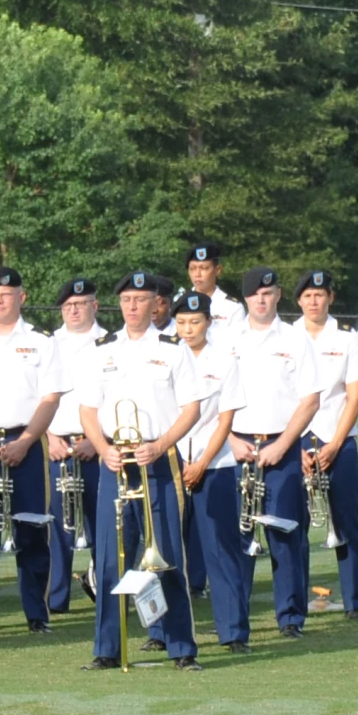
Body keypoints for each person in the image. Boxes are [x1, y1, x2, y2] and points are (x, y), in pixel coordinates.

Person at [76, 271, 208, 671]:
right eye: (127, 300)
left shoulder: (173, 348)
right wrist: (102, 449)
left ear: (156, 304)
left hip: (158, 460)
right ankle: (107, 650)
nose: (133, 307)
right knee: (111, 560)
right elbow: (87, 410)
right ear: (119, 304)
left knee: (166, 556)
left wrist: (161, 445)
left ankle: (181, 649)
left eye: (141, 299)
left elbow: (191, 409)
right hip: (115, 460)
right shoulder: (101, 350)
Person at [0, 266, 64, 633]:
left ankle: (36, 611)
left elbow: (50, 399)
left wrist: (25, 441)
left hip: (25, 443)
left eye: (7, 294)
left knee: (31, 528)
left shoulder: (42, 340)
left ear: (21, 297)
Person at [225, 268, 320, 639]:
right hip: (236, 447)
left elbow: (310, 400)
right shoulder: (227, 339)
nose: (261, 300)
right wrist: (229, 439)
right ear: (246, 298)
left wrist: (283, 445)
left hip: (283, 445)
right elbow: (212, 396)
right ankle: (236, 617)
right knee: (239, 534)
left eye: (267, 293)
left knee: (286, 535)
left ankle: (291, 617)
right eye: (254, 294)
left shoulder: (296, 339)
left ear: (278, 295)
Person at [172, 289, 249, 650]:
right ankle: (162, 632)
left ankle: (233, 631)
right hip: (170, 464)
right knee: (167, 551)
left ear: (209, 323)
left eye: (196, 322)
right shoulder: (163, 359)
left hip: (215, 464)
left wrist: (202, 462)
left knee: (220, 549)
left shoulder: (225, 361)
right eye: (182, 322)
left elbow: (225, 419)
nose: (188, 329)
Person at [293, 270, 358, 617]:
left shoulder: (348, 339)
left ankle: (356, 602)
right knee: (296, 524)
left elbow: (354, 397)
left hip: (338, 439)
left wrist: (335, 444)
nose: (314, 301)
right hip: (294, 441)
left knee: (346, 521)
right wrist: (295, 447)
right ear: (298, 301)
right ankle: (293, 602)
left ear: (331, 299)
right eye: (307, 296)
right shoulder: (287, 337)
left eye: (320, 295)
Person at [44, 277, 106, 612]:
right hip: (56, 443)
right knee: (59, 527)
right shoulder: (49, 344)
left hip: (95, 447)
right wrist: (50, 436)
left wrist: (95, 442)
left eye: (80, 304)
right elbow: (36, 396)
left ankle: (104, 591)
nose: (73, 310)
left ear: (94, 306)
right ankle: (56, 600)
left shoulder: (109, 344)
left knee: (102, 523)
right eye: (67, 305)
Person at [182, 240, 245, 335]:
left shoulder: (232, 307)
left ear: (218, 270)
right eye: (193, 269)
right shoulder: (180, 302)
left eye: (204, 268)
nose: (197, 274)